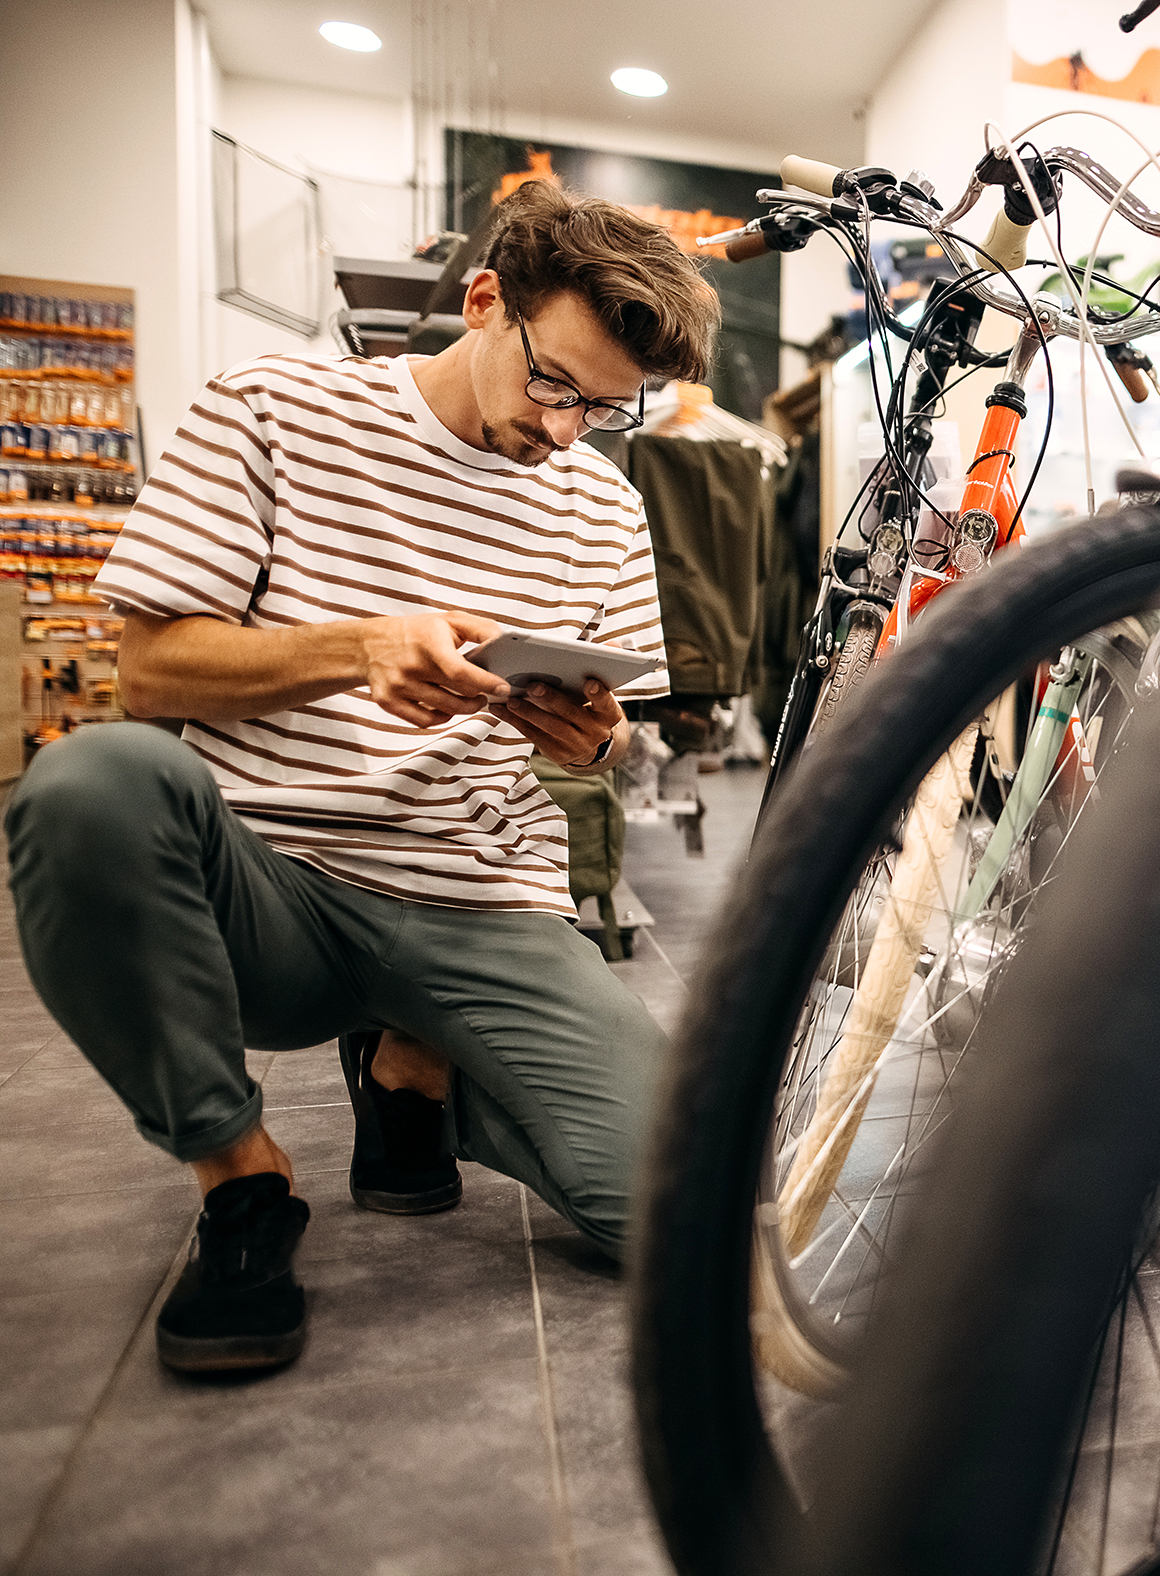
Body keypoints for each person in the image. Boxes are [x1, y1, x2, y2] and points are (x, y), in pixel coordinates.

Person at [4, 180, 718, 1373]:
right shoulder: (270, 411)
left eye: (606, 408)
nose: (563, 432)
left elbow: (615, 742)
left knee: (674, 1213)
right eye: (553, 384)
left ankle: (409, 1062)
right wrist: (355, 647)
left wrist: (593, 740)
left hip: (482, 897)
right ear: (483, 302)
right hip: (273, 884)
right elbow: (147, 673)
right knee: (89, 786)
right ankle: (241, 1177)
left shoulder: (602, 501)